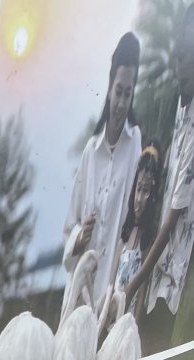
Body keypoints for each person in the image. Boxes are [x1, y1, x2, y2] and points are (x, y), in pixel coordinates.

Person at [62, 32, 143, 313]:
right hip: (79, 300)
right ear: (109, 88)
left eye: (128, 94)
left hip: (110, 299)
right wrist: (79, 237)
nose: (121, 104)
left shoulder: (135, 144)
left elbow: (134, 221)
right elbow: (69, 226)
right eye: (118, 92)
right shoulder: (90, 152)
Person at [131, 8, 194, 353]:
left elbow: (171, 222)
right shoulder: (181, 114)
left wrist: (134, 283)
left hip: (171, 288)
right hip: (154, 278)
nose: (180, 67)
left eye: (187, 59)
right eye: (179, 57)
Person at [103, 143, 162, 332]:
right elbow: (111, 284)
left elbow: (141, 292)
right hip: (110, 323)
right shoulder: (125, 234)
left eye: (145, 191)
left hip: (126, 328)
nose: (139, 198)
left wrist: (133, 329)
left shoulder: (148, 241)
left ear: (152, 196)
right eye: (138, 189)